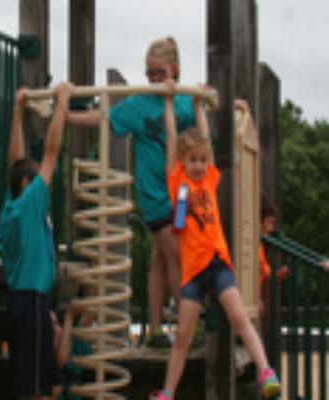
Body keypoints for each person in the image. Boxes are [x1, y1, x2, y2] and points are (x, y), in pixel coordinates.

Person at [66, 37, 195, 347]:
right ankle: (186, 329)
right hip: (155, 197)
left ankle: (154, 330)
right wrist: (68, 117)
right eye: (148, 73)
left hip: (179, 195)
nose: (151, 80)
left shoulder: (185, 101)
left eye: (158, 73)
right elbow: (105, 119)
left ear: (173, 70)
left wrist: (234, 104)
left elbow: (208, 110)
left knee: (161, 261)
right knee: (175, 256)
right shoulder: (139, 103)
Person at [151, 96, 281, 400]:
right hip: (193, 272)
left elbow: (206, 136)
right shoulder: (177, 181)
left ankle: (266, 372)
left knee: (240, 320)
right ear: (183, 161)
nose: (198, 165)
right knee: (182, 337)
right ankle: (168, 393)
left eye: (202, 159)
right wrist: (170, 102)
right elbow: (172, 138)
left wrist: (198, 105)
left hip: (217, 263)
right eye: (192, 160)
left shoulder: (209, 179)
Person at [1, 82, 71, 400]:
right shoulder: (30, 203)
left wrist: (18, 111)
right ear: (29, 184)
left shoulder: (12, 204)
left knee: (48, 384)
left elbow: (16, 161)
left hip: (28, 302)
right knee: (36, 390)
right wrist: (63, 102)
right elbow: (52, 152)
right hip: (30, 302)